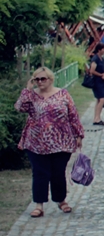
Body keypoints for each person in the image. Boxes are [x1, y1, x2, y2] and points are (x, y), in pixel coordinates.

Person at [15, 67, 84, 217]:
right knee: (40, 173)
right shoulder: (31, 96)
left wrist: (78, 134)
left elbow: (73, 115)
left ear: (50, 80)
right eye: (37, 79)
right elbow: (19, 107)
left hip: (61, 140)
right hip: (36, 141)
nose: (40, 82)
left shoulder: (63, 94)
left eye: (43, 79)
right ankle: (39, 205)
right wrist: (27, 90)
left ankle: (61, 200)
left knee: (58, 172)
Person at [87, 42, 104, 126]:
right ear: (99, 50)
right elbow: (92, 71)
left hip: (102, 81)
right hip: (97, 81)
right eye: (103, 49)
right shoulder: (95, 59)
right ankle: (97, 118)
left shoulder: (102, 58)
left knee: (99, 100)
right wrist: (101, 75)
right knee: (102, 99)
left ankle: (97, 117)